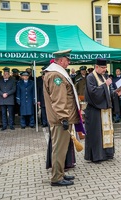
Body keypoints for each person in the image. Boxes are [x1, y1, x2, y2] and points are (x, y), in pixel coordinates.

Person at [43, 49, 80, 186]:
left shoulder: (56, 73)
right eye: (67, 59)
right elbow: (59, 99)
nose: (69, 62)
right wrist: (64, 118)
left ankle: (60, 173)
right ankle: (57, 178)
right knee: (59, 148)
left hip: (61, 117)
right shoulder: (55, 76)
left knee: (61, 148)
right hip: (61, 119)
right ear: (60, 60)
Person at [84, 58, 121, 163]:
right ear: (96, 67)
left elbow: (108, 92)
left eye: (105, 67)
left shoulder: (104, 76)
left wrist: (115, 93)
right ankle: (96, 156)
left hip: (104, 109)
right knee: (96, 133)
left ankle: (107, 153)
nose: (105, 70)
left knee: (105, 132)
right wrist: (106, 85)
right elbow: (93, 92)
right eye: (103, 68)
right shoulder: (90, 77)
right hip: (94, 110)